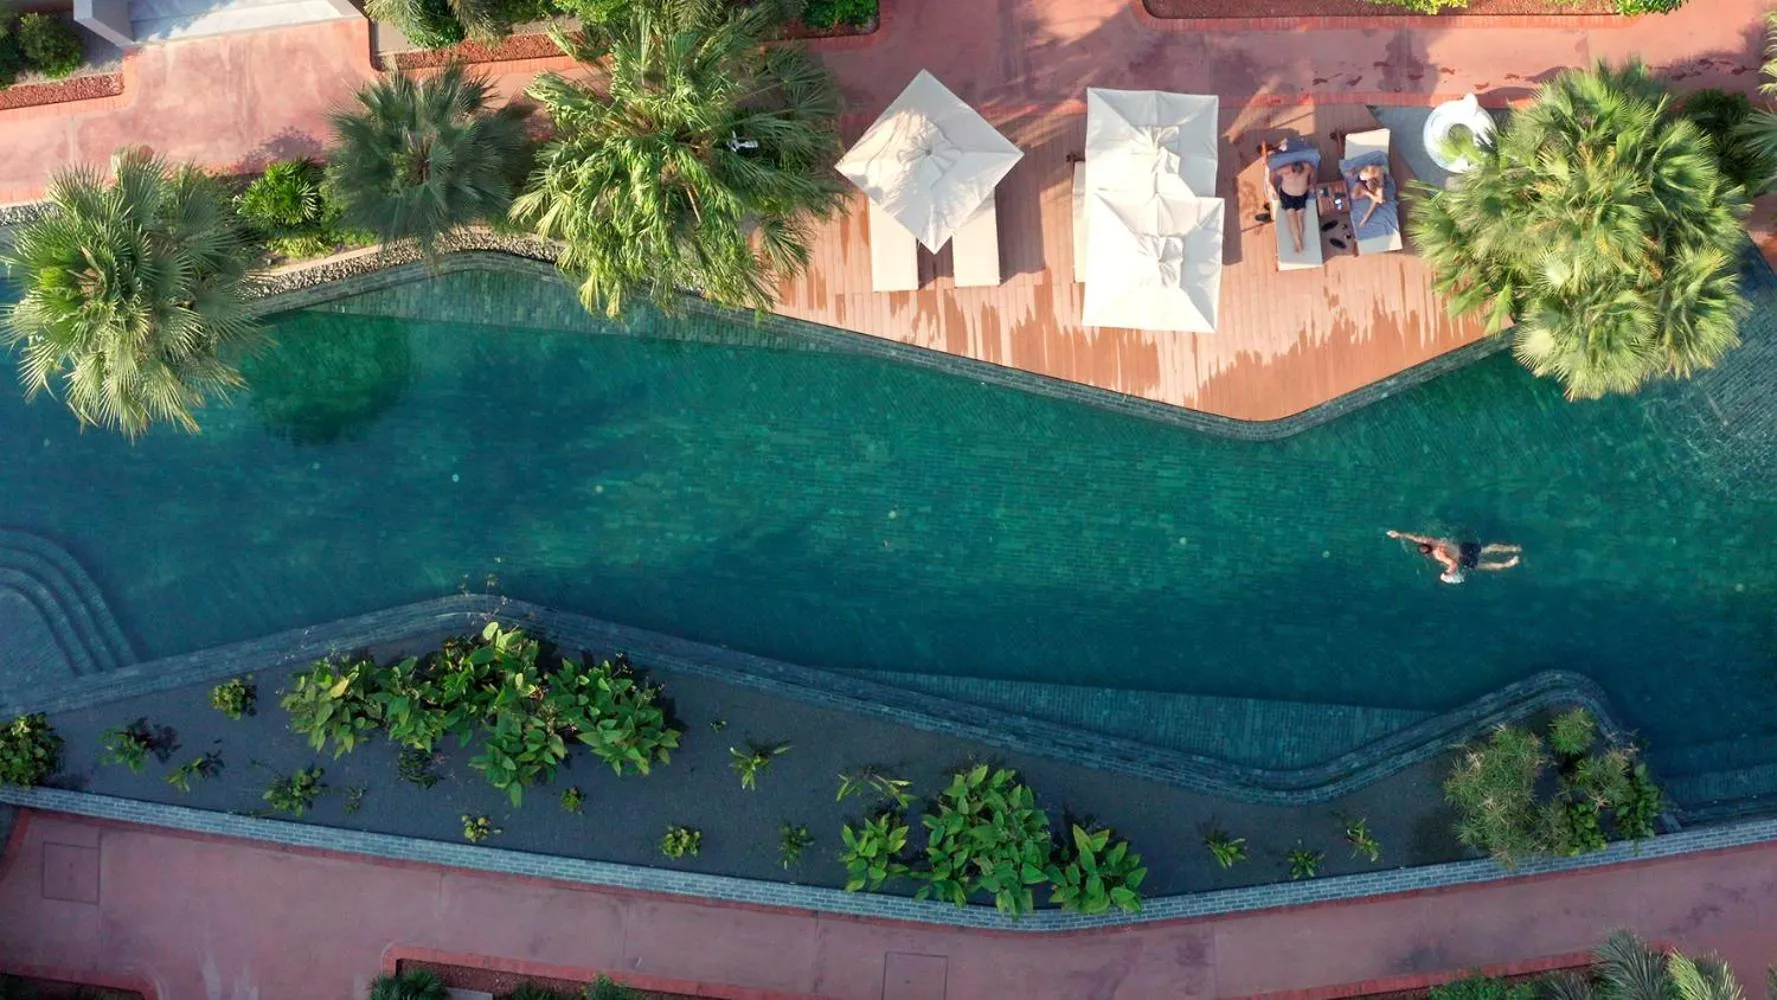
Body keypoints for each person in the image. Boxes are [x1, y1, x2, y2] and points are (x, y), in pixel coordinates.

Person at [1386, 530, 1520, 585]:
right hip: (1463, 548)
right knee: (1487, 549)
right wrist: (1399, 534)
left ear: (1427, 553)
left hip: (1462, 559)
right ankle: (1513, 548)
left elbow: (1453, 564)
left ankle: (1508, 564)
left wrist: (1445, 574)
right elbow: (1415, 538)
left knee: (1483, 566)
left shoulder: (1438, 554)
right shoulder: (1432, 541)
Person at [1264, 140, 1314, 255]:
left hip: (1298, 195)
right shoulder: (1289, 169)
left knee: (1297, 218)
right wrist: (1273, 187)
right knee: (1295, 218)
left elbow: (1313, 172)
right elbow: (1271, 175)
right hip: (1291, 195)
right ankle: (1298, 242)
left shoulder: (1306, 167)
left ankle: (1298, 243)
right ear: (1292, 169)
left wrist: (1312, 183)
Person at [1351, 163, 1388, 229]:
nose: (1366, 183)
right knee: (1353, 196)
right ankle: (1368, 193)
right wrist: (1353, 171)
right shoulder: (1365, 171)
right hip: (1367, 177)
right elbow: (1359, 169)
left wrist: (1366, 218)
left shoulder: (1379, 178)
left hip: (1374, 183)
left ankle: (1369, 193)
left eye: (1367, 182)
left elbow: (1379, 200)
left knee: (1379, 200)